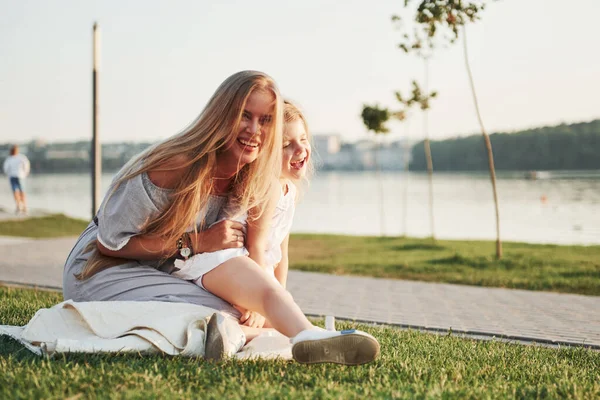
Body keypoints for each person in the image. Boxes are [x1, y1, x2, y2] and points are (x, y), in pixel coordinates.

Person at [62, 71, 379, 365]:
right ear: (221, 114)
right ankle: (269, 336)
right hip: (102, 270)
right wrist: (195, 243)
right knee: (220, 313)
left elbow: (262, 250)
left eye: (266, 120)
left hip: (167, 271)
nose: (255, 130)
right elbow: (110, 245)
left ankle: (298, 336)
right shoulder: (175, 165)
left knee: (241, 311)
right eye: (245, 115)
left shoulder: (252, 175)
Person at [171, 100, 313, 328]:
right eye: (286, 144)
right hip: (222, 260)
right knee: (271, 315)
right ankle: (311, 334)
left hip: (249, 266)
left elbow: (281, 253)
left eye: (303, 140)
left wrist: (281, 296)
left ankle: (296, 334)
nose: (299, 149)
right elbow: (254, 246)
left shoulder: (289, 191)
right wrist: (262, 300)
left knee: (277, 319)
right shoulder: (269, 187)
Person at [3, 144, 31, 215]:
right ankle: (22, 206)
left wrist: (25, 173)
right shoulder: (20, 157)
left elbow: (6, 169)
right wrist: (25, 173)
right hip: (18, 176)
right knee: (20, 191)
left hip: (16, 176)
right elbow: (27, 165)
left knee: (17, 191)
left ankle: (21, 206)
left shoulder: (10, 159)